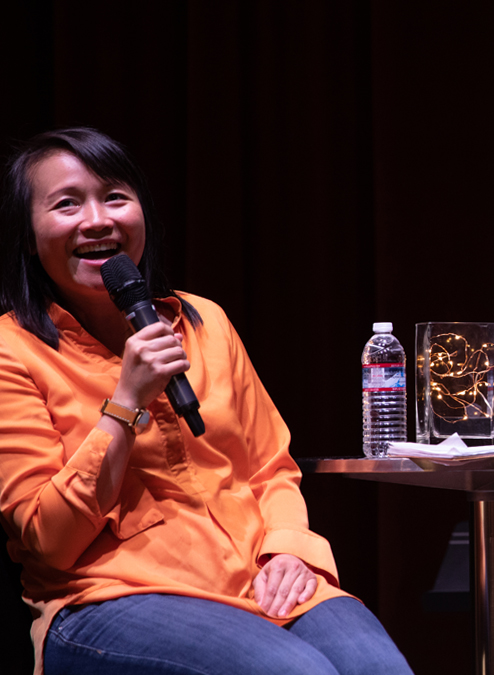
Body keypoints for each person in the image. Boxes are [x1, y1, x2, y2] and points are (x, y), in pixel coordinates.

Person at [0, 127, 414, 675]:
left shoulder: (204, 321)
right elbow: (48, 540)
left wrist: (288, 549)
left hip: (252, 575)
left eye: (115, 197)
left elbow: (271, 466)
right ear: (29, 236)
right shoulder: (12, 350)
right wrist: (125, 403)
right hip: (110, 596)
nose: (97, 219)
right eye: (67, 204)